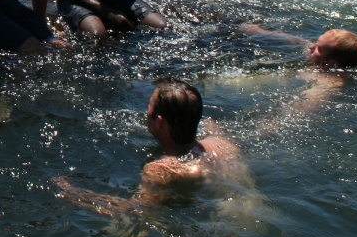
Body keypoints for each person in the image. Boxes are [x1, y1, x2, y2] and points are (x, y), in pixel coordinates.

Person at [55, 81, 245, 214]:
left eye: (149, 108)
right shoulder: (222, 144)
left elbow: (136, 210)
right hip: (239, 209)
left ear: (160, 122)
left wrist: (75, 194)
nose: (146, 113)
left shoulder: (161, 169)